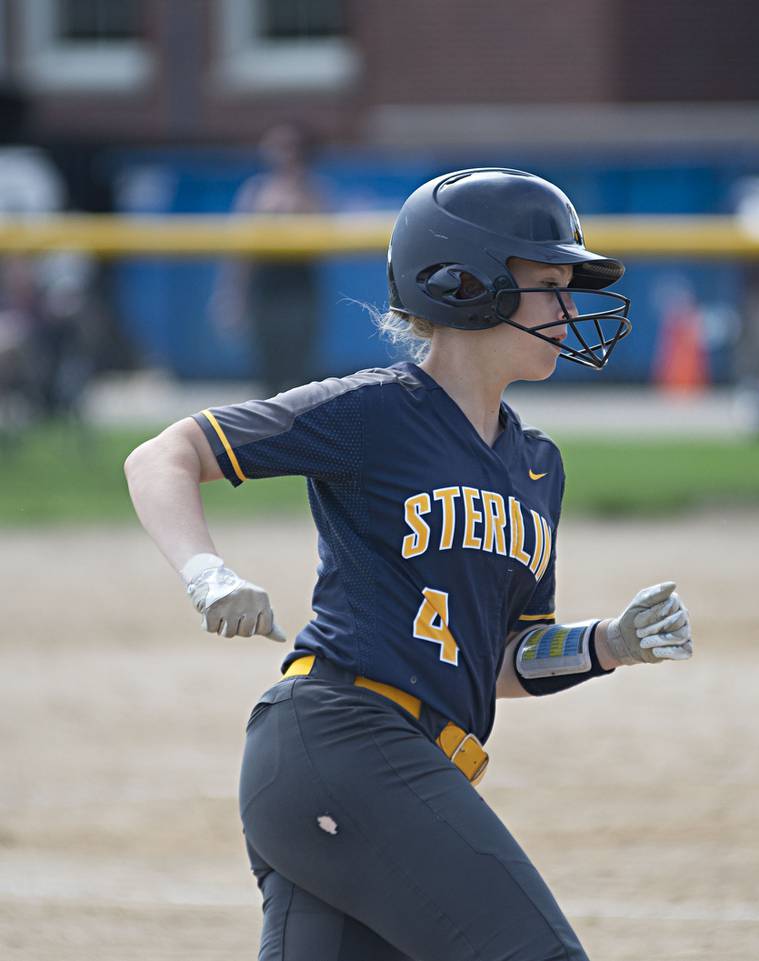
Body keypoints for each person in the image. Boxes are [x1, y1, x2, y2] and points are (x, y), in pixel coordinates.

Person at [125, 168, 694, 959]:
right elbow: (164, 454)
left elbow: (504, 656)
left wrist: (607, 643)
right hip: (342, 739)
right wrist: (207, 573)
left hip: (375, 768)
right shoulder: (375, 412)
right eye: (548, 284)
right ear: (469, 286)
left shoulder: (537, 464)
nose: (569, 308)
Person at [210, 121, 331, 396]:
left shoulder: (314, 189)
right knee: (267, 371)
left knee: (299, 371)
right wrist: (230, 295)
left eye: (290, 147)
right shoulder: (255, 190)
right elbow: (239, 250)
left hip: (299, 289)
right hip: (264, 288)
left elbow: (322, 239)